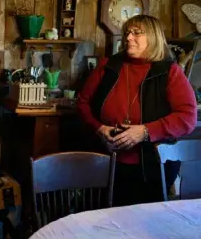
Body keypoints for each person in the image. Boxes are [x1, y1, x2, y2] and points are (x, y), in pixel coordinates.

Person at [77, 15, 197, 207]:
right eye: (127, 33)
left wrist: (145, 131)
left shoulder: (170, 72)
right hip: (106, 163)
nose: (128, 38)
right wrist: (99, 128)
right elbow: (83, 103)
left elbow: (187, 117)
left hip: (153, 167)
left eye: (136, 33)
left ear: (153, 37)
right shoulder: (107, 66)